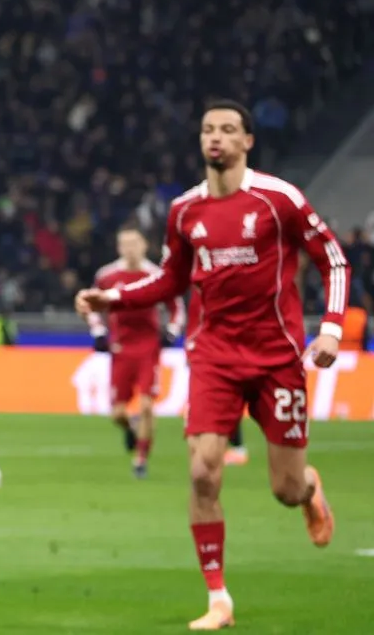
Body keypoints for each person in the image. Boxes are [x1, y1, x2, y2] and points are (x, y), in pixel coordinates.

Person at [76, 100, 345, 631]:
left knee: (285, 490)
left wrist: (332, 327)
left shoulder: (278, 200)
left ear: (248, 141)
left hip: (276, 358)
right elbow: (171, 280)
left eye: (227, 129)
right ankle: (219, 598)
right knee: (202, 472)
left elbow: (332, 258)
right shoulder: (184, 211)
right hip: (214, 356)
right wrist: (116, 299)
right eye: (207, 130)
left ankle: (309, 489)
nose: (215, 137)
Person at [87, 226, 183, 478]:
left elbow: (176, 306)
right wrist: (98, 332)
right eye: (125, 244)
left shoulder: (156, 275)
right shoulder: (107, 276)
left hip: (148, 348)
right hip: (120, 348)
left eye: (134, 243)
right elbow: (92, 306)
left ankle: (140, 459)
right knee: (117, 413)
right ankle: (131, 428)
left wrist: (172, 331)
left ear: (144, 246)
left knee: (147, 405)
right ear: (119, 247)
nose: (130, 249)